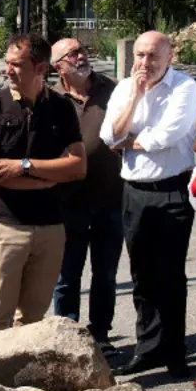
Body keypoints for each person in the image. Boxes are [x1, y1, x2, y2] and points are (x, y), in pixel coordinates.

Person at [100, 31, 196, 378]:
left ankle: (175, 351)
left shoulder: (185, 87)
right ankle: (148, 348)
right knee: (142, 275)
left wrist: (131, 141)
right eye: (140, 55)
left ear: (169, 57)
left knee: (170, 275)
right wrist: (135, 98)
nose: (144, 63)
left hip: (172, 189)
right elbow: (109, 136)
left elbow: (168, 135)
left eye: (153, 56)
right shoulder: (125, 87)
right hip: (134, 191)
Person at [0, 33, 86, 333]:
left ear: (40, 69)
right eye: (6, 63)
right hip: (5, 228)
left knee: (32, 323)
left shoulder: (61, 107)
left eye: (17, 64)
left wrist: (23, 167)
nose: (7, 71)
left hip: (50, 229)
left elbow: (77, 166)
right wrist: (46, 177)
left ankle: (21, 380)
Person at [50, 38, 125, 351]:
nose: (81, 56)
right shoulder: (51, 99)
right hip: (68, 204)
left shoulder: (114, 89)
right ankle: (67, 340)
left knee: (105, 275)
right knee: (66, 276)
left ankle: (101, 335)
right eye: (73, 54)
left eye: (82, 50)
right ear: (58, 67)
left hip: (111, 199)